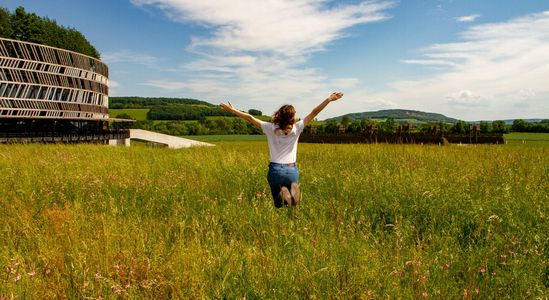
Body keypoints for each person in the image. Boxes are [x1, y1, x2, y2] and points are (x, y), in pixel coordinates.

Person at [219, 92, 344, 208]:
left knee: (278, 204)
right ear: (292, 117)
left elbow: (250, 118)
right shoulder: (297, 128)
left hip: (275, 171)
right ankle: (291, 216)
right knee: (293, 205)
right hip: (291, 170)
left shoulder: (270, 128)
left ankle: (280, 215)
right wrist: (328, 100)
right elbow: (314, 112)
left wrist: (233, 110)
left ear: (279, 115)